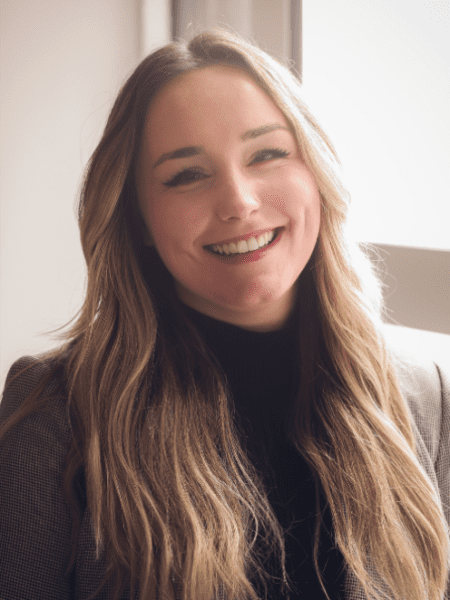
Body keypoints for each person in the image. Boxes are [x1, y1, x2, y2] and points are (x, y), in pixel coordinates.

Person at [0, 28, 449, 600]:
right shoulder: (55, 411)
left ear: (316, 173)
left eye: (266, 154)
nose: (238, 201)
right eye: (187, 174)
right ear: (137, 217)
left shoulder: (425, 394)